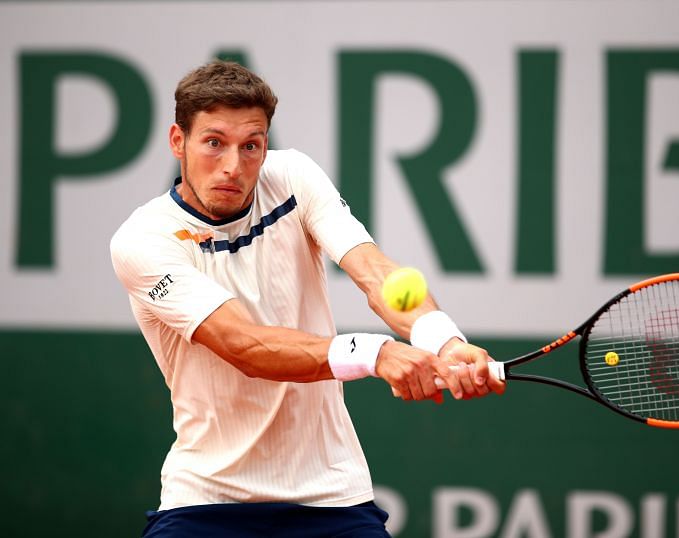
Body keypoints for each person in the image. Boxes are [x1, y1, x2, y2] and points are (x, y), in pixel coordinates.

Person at [110, 60, 504, 537]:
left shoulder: (293, 176)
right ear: (179, 141)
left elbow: (377, 274)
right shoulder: (143, 240)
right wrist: (375, 352)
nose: (234, 165)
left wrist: (443, 340)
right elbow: (245, 346)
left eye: (251, 146)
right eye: (214, 142)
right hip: (207, 502)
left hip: (333, 499)